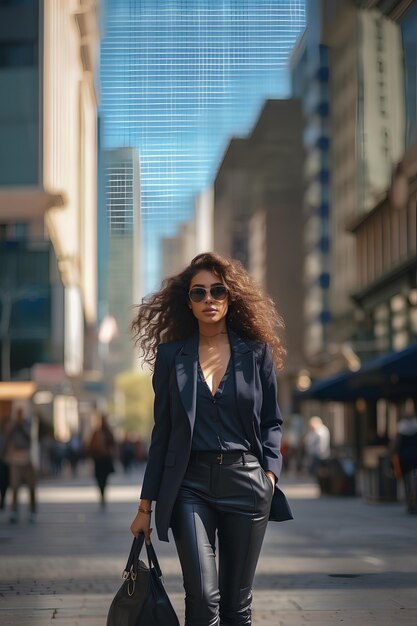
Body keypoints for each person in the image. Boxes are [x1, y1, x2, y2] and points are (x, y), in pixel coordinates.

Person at [130, 252, 292, 626]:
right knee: (202, 597)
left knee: (237, 605)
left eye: (217, 291)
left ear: (230, 296)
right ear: (187, 302)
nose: (209, 300)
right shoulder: (172, 357)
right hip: (190, 485)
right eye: (198, 293)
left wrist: (269, 476)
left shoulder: (257, 355)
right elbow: (164, 434)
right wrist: (144, 508)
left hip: (247, 483)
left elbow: (272, 421)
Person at [4, 408, 37, 523]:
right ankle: (14, 512)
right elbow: (7, 438)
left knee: (31, 486)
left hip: (26, 460)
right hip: (15, 460)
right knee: (15, 487)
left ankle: (32, 511)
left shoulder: (27, 424)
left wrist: (21, 425)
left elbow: (29, 438)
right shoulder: (12, 426)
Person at [390, 407, 417, 514]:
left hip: (404, 460)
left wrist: (391, 458)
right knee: (415, 480)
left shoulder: (401, 430)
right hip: (415, 459)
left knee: (406, 482)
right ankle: (414, 500)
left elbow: (395, 447)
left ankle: (409, 502)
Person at [88, 413, 116, 508]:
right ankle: (102, 493)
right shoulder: (106, 432)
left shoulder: (99, 432)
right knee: (103, 478)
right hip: (103, 459)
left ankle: (102, 493)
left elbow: (90, 446)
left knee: (101, 478)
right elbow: (113, 445)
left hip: (100, 459)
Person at [0, 415, 12, 511]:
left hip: (8, 462)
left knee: (5, 483)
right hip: (3, 461)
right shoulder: (3, 435)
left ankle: (3, 500)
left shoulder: (11, 435)